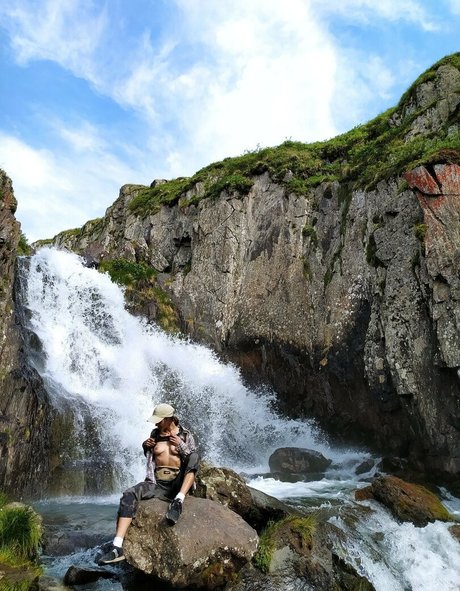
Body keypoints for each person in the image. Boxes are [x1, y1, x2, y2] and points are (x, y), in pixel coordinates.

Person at [98, 403, 199, 565]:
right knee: (128, 495)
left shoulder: (185, 435)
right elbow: (152, 456)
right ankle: (117, 547)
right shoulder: (154, 433)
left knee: (195, 457)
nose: (156, 423)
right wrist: (145, 446)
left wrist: (180, 445)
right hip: (156, 483)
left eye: (159, 420)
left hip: (177, 483)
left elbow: (191, 461)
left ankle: (178, 500)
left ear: (168, 419)